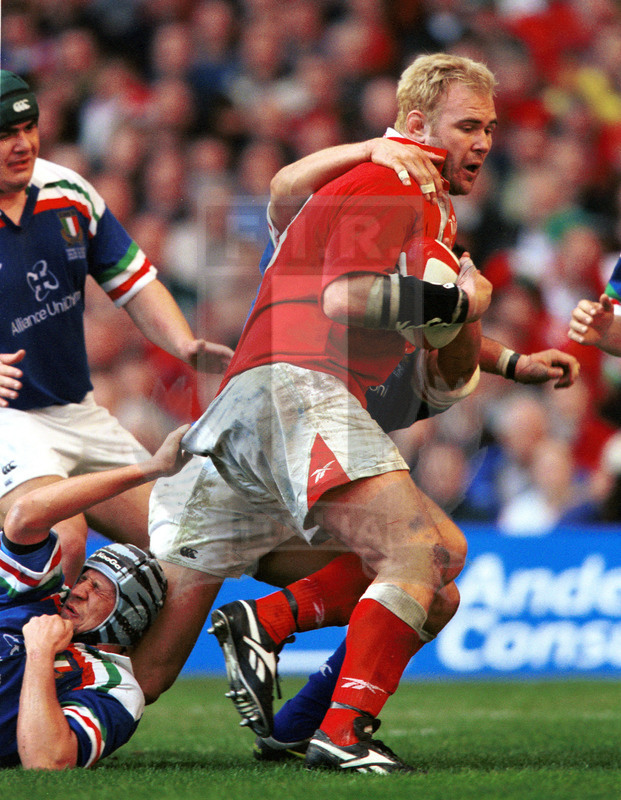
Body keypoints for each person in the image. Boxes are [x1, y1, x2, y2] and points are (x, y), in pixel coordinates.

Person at [170, 52, 514, 773]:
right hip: (291, 388)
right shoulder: (389, 180)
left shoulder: (420, 203)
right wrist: (458, 301)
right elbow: (343, 298)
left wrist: (510, 360)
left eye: (490, 127)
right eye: (468, 126)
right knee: (415, 553)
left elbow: (400, 311)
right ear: (416, 123)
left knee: (441, 562)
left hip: (274, 398)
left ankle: (297, 710)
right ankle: (342, 730)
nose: (483, 141)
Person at [0, 71, 233, 584]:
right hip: (8, 419)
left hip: (78, 412)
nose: (23, 144)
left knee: (186, 545)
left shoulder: (68, 193)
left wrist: (183, 343)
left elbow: (134, 281)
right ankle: (33, 659)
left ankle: (113, 665)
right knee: (63, 535)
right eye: (5, 135)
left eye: (29, 128)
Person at [0, 424, 190, 770]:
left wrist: (40, 654)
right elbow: (25, 517)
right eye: (84, 578)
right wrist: (153, 468)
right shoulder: (36, 596)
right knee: (68, 531)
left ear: (129, 615)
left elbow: (47, 762)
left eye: (99, 588)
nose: (80, 589)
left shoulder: (116, 688)